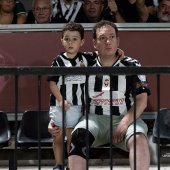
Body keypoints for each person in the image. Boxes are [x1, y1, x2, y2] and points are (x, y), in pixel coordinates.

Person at [48, 20, 151, 170]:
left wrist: (124, 123)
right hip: (93, 119)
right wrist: (56, 118)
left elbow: (142, 100)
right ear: (94, 43)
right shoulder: (84, 62)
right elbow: (61, 87)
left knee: (139, 139)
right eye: (102, 38)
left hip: (125, 117)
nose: (108, 42)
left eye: (112, 37)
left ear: (118, 40)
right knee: (78, 136)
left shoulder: (132, 65)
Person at [47, 22, 98, 170]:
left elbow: (100, 53)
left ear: (82, 42)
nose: (71, 42)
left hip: (76, 106)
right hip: (58, 104)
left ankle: (71, 165)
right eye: (67, 39)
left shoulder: (86, 59)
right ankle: (58, 164)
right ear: (61, 40)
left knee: (71, 136)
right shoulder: (58, 61)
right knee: (57, 135)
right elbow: (52, 83)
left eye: (75, 39)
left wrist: (118, 51)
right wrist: (61, 100)